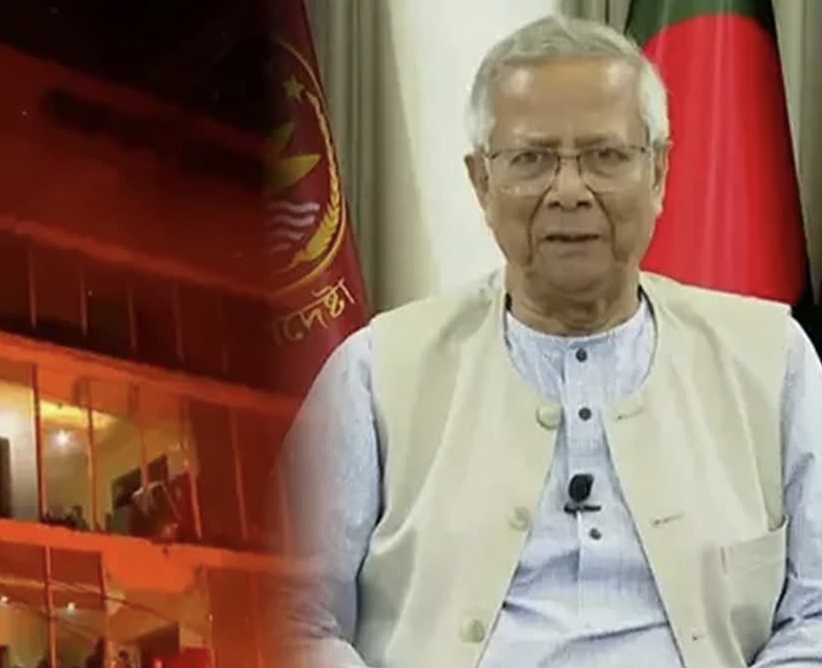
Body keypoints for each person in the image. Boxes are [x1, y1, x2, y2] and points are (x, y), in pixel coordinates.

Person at [282, 14, 822, 668]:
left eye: (606, 156)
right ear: (481, 183)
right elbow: (292, 615)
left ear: (658, 173)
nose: (569, 192)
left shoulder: (774, 363)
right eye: (532, 159)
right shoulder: (375, 376)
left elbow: (815, 614)